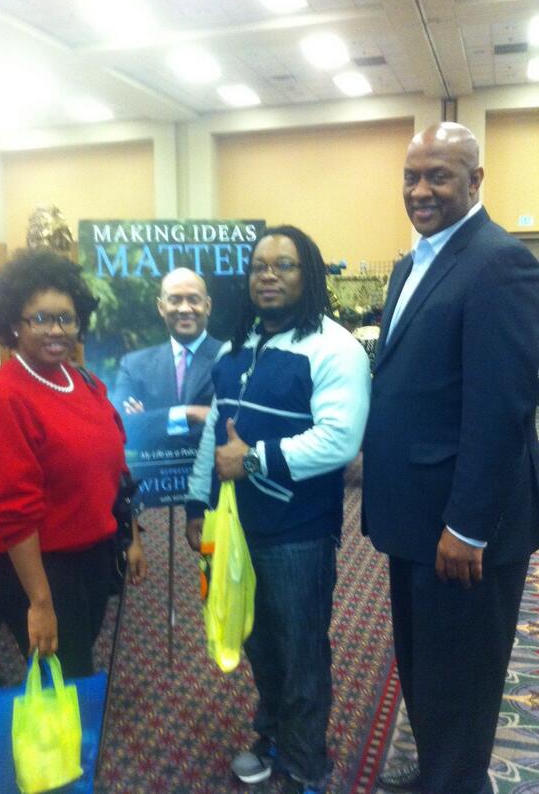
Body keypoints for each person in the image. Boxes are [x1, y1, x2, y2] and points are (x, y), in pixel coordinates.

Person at [362, 123, 539, 794]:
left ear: (475, 180)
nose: (420, 190)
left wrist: (468, 526)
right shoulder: (413, 263)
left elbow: (502, 406)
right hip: (415, 519)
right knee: (425, 670)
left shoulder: (499, 262)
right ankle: (440, 772)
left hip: (462, 530)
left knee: (462, 682)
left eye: (438, 175)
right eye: (411, 176)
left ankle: (457, 781)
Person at [185, 226, 370, 794]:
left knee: (300, 649)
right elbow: (215, 434)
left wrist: (255, 459)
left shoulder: (335, 348)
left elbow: (340, 440)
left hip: (297, 534)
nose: (268, 275)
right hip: (233, 528)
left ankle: (305, 763)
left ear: (308, 274)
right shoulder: (236, 348)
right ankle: (271, 734)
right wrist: (197, 502)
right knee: (257, 641)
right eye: (259, 266)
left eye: (284, 265)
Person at [0, 249, 147, 678]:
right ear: (14, 323)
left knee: (76, 659)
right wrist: (40, 602)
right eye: (41, 319)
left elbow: (116, 468)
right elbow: (11, 511)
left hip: (92, 551)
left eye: (67, 318)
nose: (57, 330)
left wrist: (132, 536)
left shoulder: (83, 380)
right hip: (37, 566)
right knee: (66, 671)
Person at [111, 268, 222, 453]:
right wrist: (191, 414)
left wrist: (149, 421)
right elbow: (121, 427)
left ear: (208, 306)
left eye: (193, 299)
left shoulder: (231, 358)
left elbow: (233, 425)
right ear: (161, 307)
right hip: (153, 472)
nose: (184, 309)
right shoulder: (133, 366)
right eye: (175, 300)